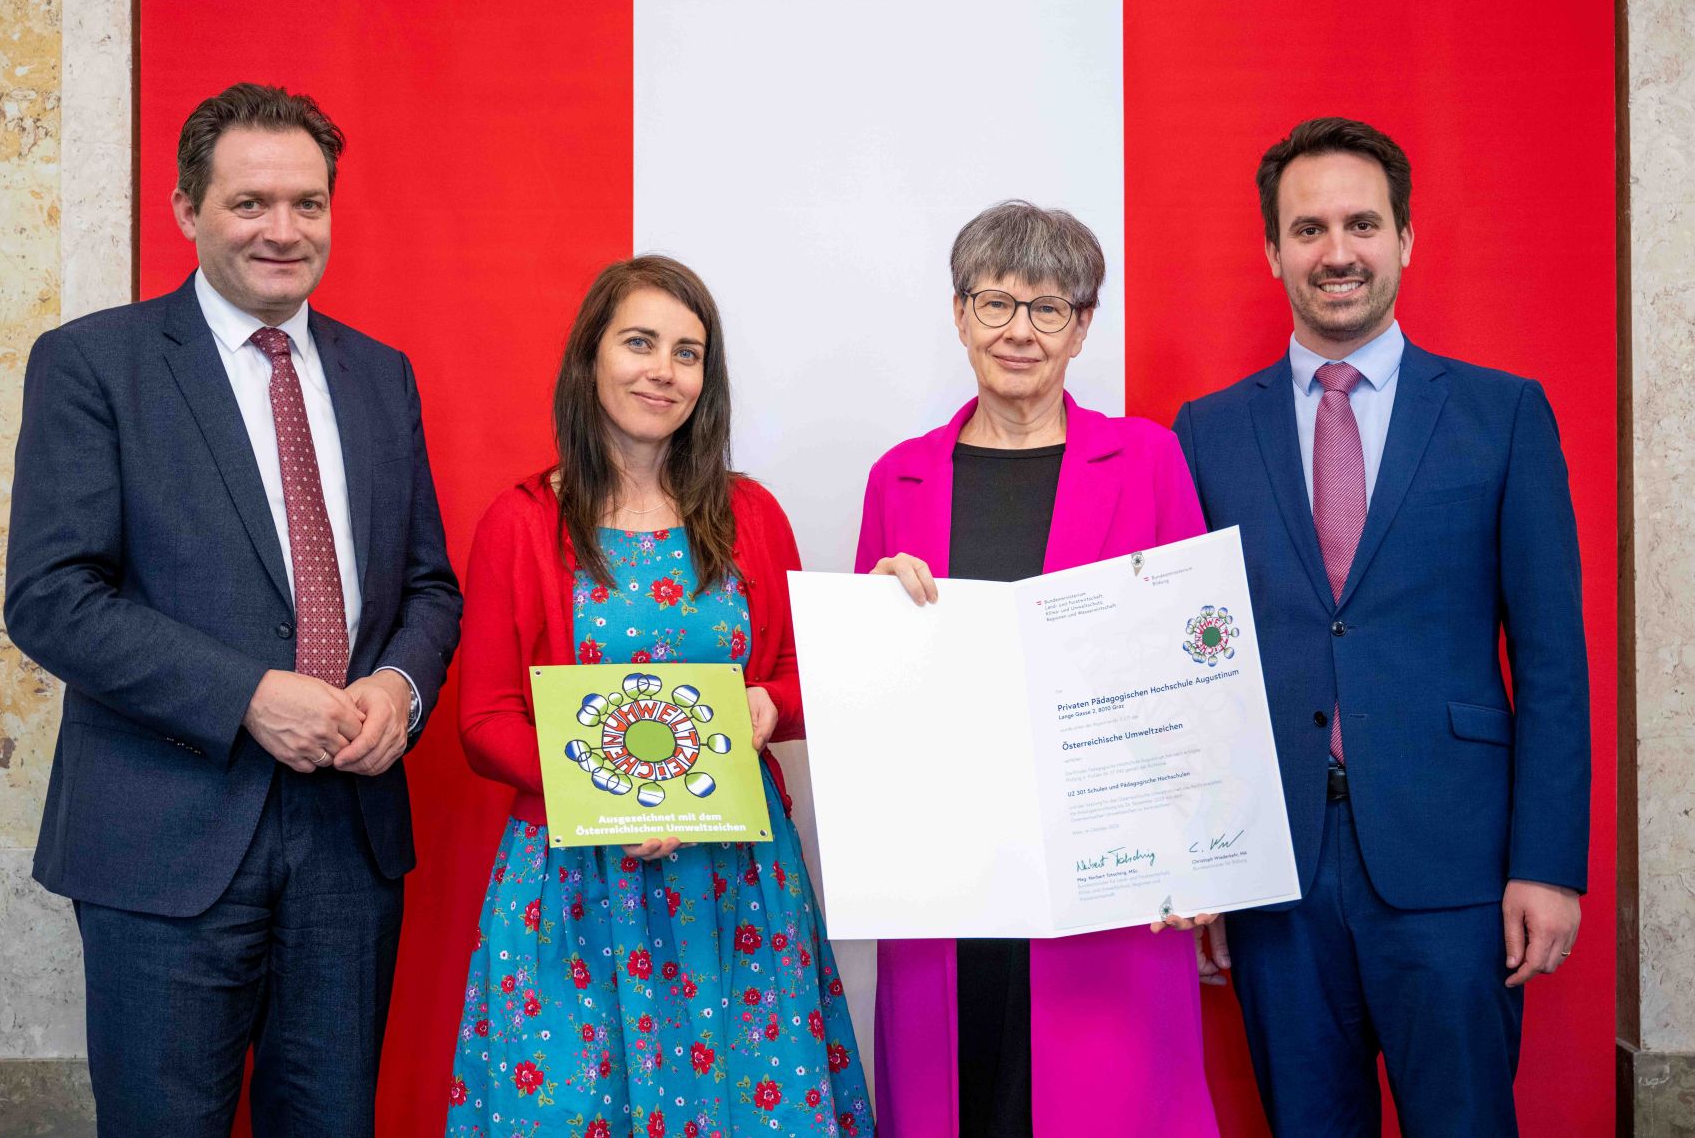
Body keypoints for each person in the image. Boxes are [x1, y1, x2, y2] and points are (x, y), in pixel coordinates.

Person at [3, 83, 463, 1134]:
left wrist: (399, 684)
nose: (282, 230)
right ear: (185, 209)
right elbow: (51, 597)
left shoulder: (379, 375)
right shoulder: (94, 365)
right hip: (165, 841)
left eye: (307, 204)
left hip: (349, 843)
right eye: (250, 202)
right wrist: (249, 694)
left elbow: (427, 584)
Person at [1173, 117, 1589, 1137]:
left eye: (1360, 223)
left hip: (1455, 867)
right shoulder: (1203, 433)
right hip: (1273, 866)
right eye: (1306, 229)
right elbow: (1180, 665)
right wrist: (1199, 865)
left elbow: (1550, 664)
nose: (1335, 251)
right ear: (1270, 250)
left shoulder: (1501, 415)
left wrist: (1547, 862)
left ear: (1405, 238)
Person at [451, 255, 874, 1137]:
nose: (663, 370)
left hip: (737, 883)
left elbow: (801, 675)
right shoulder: (522, 520)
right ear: (590, 359)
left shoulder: (751, 515)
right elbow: (484, 719)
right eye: (639, 342)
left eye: (688, 353)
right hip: (575, 881)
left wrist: (769, 709)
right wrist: (602, 794)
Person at [857, 201, 1219, 1137]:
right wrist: (876, 612)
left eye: (1049, 307)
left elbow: (1195, 666)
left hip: (1109, 867)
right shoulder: (898, 476)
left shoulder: (1148, 458)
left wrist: (1199, 848)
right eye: (995, 302)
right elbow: (871, 703)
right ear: (958, 314)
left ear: (1083, 325)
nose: (1019, 330)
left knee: (1105, 1098)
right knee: (961, 1096)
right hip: (947, 867)